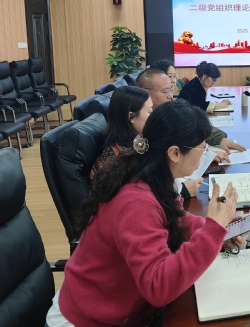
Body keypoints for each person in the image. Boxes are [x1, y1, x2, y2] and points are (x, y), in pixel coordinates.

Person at [47, 101, 240, 327]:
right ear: (175, 153)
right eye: (202, 148)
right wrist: (211, 232)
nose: (204, 154)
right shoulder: (137, 203)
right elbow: (158, 287)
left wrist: (216, 230)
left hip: (126, 311)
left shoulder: (151, 173)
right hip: (87, 320)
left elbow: (177, 219)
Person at [136, 68, 246, 154]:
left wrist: (219, 139)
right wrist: (205, 155)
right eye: (165, 92)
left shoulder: (166, 111)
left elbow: (192, 124)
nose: (170, 96)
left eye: (171, 90)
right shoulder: (139, 120)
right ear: (145, 92)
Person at [90, 86, 153, 180]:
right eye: (150, 112)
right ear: (131, 117)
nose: (153, 117)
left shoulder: (135, 143)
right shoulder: (119, 160)